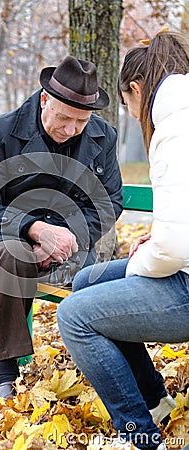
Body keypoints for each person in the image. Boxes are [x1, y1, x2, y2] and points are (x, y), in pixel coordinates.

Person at [57, 30, 189, 450]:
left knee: (74, 315)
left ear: (137, 89)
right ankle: (154, 402)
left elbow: (172, 252)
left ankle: (139, 436)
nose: (134, 115)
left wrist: (147, 254)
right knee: (87, 282)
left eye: (130, 105)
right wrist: (164, 234)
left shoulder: (174, 129)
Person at [0, 55, 123, 399]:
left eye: (81, 121)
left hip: (73, 245)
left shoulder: (104, 137)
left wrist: (68, 238)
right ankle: (7, 367)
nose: (71, 129)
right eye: (64, 118)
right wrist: (35, 229)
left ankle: (103, 366)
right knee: (11, 256)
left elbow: (109, 201)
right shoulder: (1, 131)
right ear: (44, 99)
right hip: (4, 239)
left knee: (93, 279)